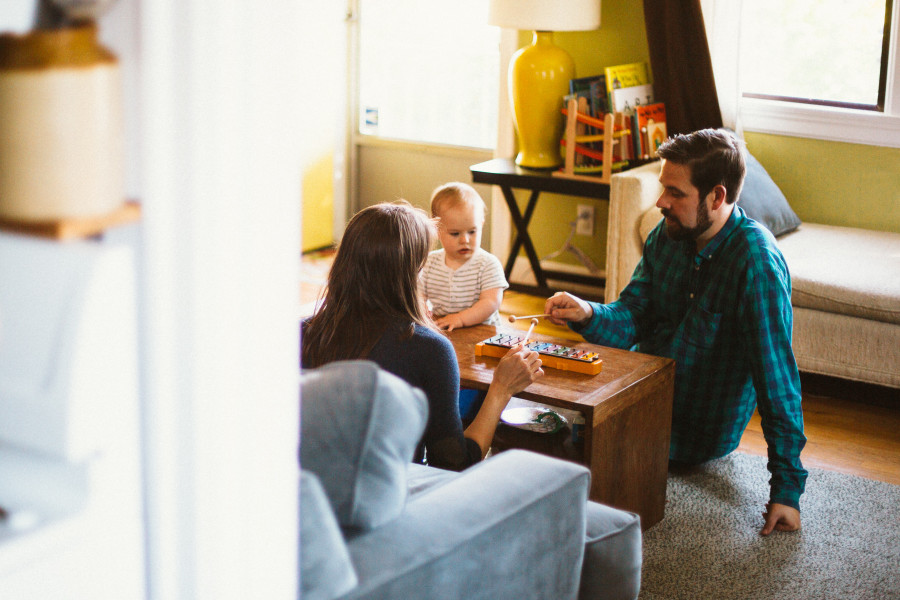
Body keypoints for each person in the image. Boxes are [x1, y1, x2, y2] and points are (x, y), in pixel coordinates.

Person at [544, 129, 807, 536]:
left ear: (717, 198)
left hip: (696, 431)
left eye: (675, 192)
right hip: (638, 398)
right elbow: (632, 315)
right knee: (536, 428)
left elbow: (778, 382)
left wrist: (786, 492)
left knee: (565, 466)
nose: (660, 202)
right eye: (662, 188)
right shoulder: (665, 237)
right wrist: (586, 313)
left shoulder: (756, 262)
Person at [302, 201, 543, 471]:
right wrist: (501, 389)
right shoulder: (427, 349)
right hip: (389, 497)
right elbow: (452, 465)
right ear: (411, 274)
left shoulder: (301, 333)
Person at [421, 182, 508, 331]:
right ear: (437, 230)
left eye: (472, 232)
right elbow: (418, 295)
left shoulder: (488, 264)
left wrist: (460, 318)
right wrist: (422, 313)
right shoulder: (429, 263)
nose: (465, 240)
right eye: (455, 233)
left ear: (481, 225)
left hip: (482, 332)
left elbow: (491, 302)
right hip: (444, 328)